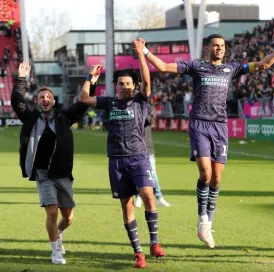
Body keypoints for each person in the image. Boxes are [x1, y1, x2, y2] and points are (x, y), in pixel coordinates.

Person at [138, 33, 274, 248]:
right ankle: (201, 221)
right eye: (215, 45)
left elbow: (263, 65)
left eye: (222, 46)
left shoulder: (232, 69)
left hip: (220, 127)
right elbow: (162, 67)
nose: (219, 48)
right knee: (205, 173)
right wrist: (144, 51)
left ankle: (209, 223)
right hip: (199, 124)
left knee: (217, 179)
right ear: (208, 48)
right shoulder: (196, 66)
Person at [79, 38, 165, 269]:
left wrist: (140, 55)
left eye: (128, 83)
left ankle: (155, 243)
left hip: (138, 157)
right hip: (116, 161)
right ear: (115, 85)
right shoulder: (110, 103)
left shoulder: (140, 100)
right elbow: (84, 98)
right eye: (120, 83)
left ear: (134, 86)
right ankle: (138, 252)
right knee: (126, 206)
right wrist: (91, 78)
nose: (124, 86)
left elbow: (147, 81)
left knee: (148, 196)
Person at [10, 61, 96, 265]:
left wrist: (91, 80)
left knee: (67, 217)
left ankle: (58, 233)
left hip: (64, 174)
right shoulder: (31, 118)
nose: (45, 99)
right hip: (43, 174)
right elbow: (16, 100)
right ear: (38, 101)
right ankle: (55, 250)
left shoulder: (64, 117)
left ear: (53, 101)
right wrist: (21, 78)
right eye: (42, 97)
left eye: (48, 96)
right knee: (51, 211)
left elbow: (83, 103)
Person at [134, 103, 170, 208]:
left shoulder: (149, 108)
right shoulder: (131, 107)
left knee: (152, 173)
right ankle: (138, 197)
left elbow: (148, 121)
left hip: (147, 146)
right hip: (133, 145)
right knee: (135, 173)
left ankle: (159, 197)